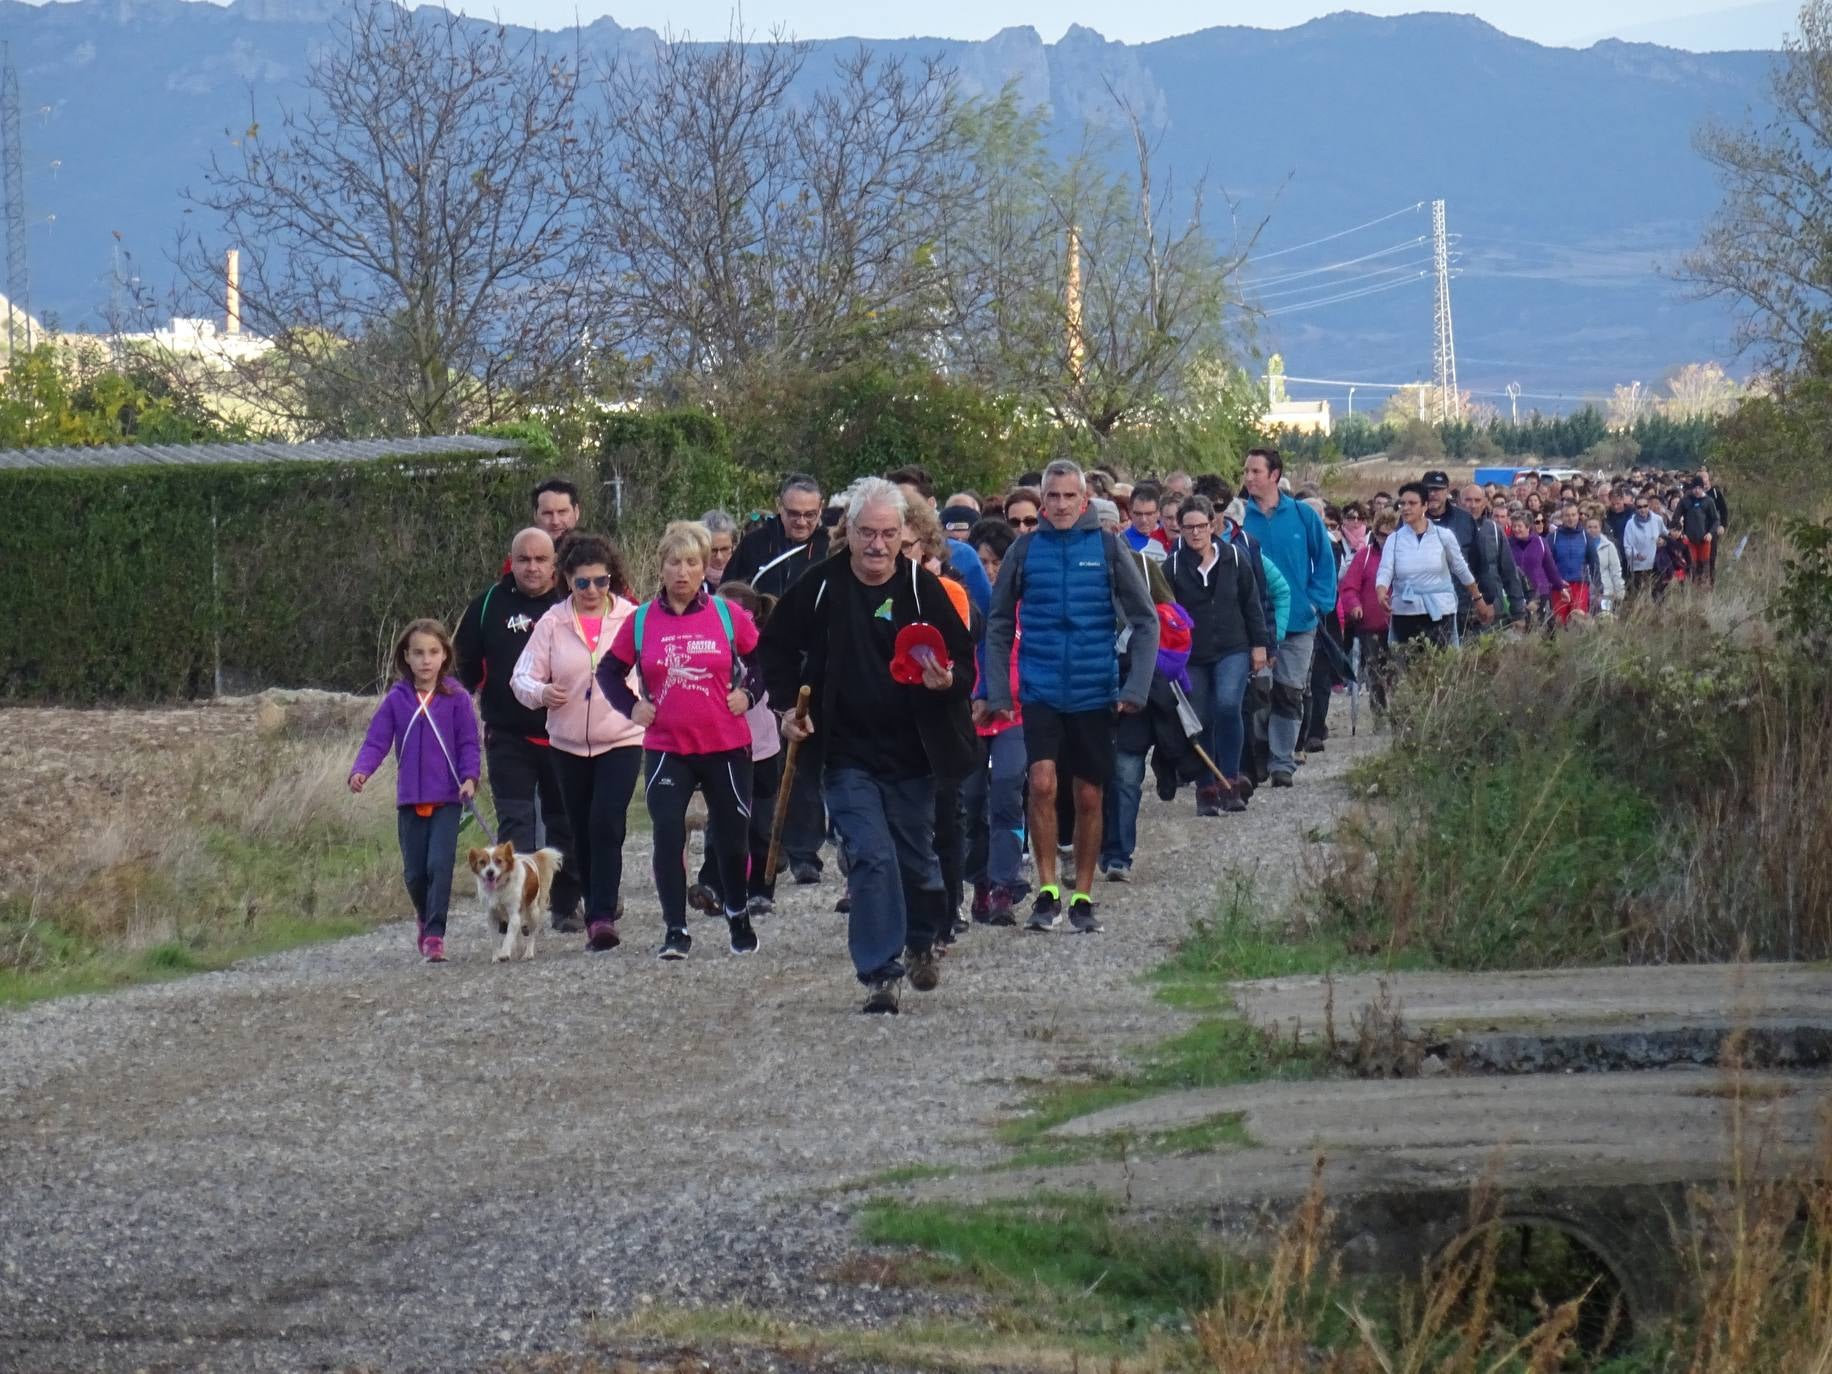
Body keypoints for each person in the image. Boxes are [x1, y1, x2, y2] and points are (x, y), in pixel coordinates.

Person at [757, 478, 975, 1014]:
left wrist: (948, 681)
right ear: (847, 532)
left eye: (888, 534)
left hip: (913, 755)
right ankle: (880, 973)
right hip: (845, 754)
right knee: (871, 859)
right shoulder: (821, 586)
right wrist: (786, 709)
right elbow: (775, 648)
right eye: (866, 533)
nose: (877, 545)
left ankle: (922, 937)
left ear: (905, 535)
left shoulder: (925, 591)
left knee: (915, 862)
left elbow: (964, 663)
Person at [983, 460, 1159, 933]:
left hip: (1093, 690)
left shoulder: (1106, 547)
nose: (1060, 505)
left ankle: (1082, 894)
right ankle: (1046, 890)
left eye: (1068, 496)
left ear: (1083, 500)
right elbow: (997, 623)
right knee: (1040, 783)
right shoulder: (1023, 550)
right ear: (1042, 501)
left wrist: (1136, 687)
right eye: (1052, 497)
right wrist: (997, 688)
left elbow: (1147, 620)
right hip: (1039, 689)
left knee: (1088, 795)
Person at [595, 521, 762, 961]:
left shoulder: (728, 615)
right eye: (674, 563)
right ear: (661, 567)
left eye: (692, 563)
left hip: (725, 743)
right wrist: (632, 709)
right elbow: (608, 672)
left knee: (732, 836)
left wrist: (749, 694)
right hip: (668, 747)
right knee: (668, 835)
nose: (683, 572)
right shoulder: (641, 620)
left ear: (705, 566)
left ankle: (737, 910)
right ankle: (675, 928)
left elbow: (765, 661)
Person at [511, 534, 645, 953]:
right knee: (579, 830)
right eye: (582, 583)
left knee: (607, 822)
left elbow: (656, 665)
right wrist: (541, 693)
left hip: (622, 737)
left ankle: (601, 916)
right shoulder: (552, 622)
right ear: (566, 579)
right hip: (567, 744)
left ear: (613, 580)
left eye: (601, 582)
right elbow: (521, 677)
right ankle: (594, 899)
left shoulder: (633, 618)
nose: (592, 591)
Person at [454, 527, 583, 932]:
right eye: (524, 559)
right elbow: (466, 666)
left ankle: (564, 904)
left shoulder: (570, 603)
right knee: (516, 821)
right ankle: (517, 908)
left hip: (561, 732)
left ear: (554, 565)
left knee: (565, 821)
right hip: (508, 734)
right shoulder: (489, 604)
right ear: (512, 561)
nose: (532, 567)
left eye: (541, 560)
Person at [349, 619, 481, 964]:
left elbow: (469, 743)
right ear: (406, 657)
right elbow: (376, 740)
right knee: (414, 873)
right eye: (418, 653)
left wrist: (470, 777)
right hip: (410, 799)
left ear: (444, 656)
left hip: (448, 798)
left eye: (433, 652)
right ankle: (423, 916)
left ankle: (436, 933)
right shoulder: (396, 700)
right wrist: (361, 770)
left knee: (440, 865)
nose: (426, 660)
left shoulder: (457, 698)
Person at [1241, 448, 1337, 789]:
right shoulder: (1240, 518)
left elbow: (1325, 562)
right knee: (1256, 692)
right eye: (1246, 471)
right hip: (1253, 624)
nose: (1249, 477)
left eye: (1255, 471)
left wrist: (1317, 603)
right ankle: (1257, 756)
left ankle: (1282, 761)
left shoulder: (1302, 515)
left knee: (1289, 691)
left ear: (1274, 474)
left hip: (1298, 623)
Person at [1166, 494, 1268, 816]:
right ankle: (1206, 786)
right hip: (1193, 654)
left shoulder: (1235, 559)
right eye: (1188, 527)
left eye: (1201, 526)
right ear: (1180, 529)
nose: (1195, 533)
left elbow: (1252, 603)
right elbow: (1165, 613)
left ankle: (1232, 781)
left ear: (1213, 525)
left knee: (1227, 706)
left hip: (1232, 647)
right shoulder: (1171, 566)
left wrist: (1260, 645)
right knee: (1201, 717)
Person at [965, 518, 1026, 925]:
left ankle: (1006, 882)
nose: (990, 571)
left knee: (1006, 791)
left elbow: (1029, 660)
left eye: (997, 562)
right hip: (970, 718)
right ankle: (978, 880)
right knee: (968, 802)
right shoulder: (962, 605)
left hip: (1014, 716)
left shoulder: (1026, 605)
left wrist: (1003, 696)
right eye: (983, 562)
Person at [1376, 482, 1490, 650]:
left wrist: (1478, 598)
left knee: (1440, 665)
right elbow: (1385, 569)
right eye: (1403, 503)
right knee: (1408, 666)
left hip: (1440, 611)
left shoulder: (1443, 536)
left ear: (1425, 506)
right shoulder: (1394, 539)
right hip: (1406, 612)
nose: (1406, 508)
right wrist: (1381, 591)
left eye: (1412, 503)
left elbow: (1460, 568)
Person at [725, 473, 829, 599]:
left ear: (821, 508)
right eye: (793, 514)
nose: (801, 522)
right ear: (779, 505)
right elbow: (727, 595)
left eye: (810, 515)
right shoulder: (753, 544)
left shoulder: (830, 548)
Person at [1337, 511, 1395, 715]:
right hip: (1370, 625)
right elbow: (1349, 587)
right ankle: (1378, 714)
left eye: (1390, 535)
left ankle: (1401, 715)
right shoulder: (1365, 555)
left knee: (1398, 670)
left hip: (1399, 623)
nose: (1385, 539)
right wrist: (1354, 605)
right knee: (1375, 670)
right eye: (1381, 534)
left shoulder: (1405, 555)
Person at [1462, 485, 1528, 628]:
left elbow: (1509, 573)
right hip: (1460, 611)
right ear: (1461, 502)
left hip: (1492, 611)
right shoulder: (1450, 531)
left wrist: (1518, 612)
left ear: (1485, 502)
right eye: (1468, 500)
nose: (1473, 505)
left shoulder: (1494, 531)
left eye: (1477, 500)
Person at [1508, 508, 1565, 626]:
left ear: (1528, 526)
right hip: (1518, 593)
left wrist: (1560, 587)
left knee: (1544, 627)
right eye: (1514, 526)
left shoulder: (1540, 542)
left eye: (1519, 526)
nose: (1516, 529)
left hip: (1540, 592)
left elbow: (1550, 568)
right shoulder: (1508, 544)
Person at [1547, 502, 1599, 624]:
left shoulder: (1586, 537)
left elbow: (1594, 563)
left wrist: (1598, 588)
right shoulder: (1552, 537)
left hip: (1580, 585)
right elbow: (1547, 564)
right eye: (1567, 515)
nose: (1570, 518)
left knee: (1579, 622)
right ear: (1562, 517)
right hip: (1559, 586)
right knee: (1560, 622)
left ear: (1578, 516)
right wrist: (1553, 582)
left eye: (1573, 515)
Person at [1622, 493, 1668, 598]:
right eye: (1639, 507)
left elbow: (1666, 534)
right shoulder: (1630, 524)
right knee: (1639, 597)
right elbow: (1627, 546)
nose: (1643, 509)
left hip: (1655, 564)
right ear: (1635, 508)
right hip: (1638, 567)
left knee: (1657, 596)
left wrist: (1663, 541)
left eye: (1645, 506)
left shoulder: (1657, 519)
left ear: (1648, 506)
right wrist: (1636, 555)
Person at [1588, 516, 1626, 614]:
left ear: (1600, 528)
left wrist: (1619, 591)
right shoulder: (1582, 545)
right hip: (1587, 591)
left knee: (1605, 618)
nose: (1592, 530)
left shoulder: (1609, 546)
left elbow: (1616, 569)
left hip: (1606, 591)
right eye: (1590, 527)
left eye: (1595, 527)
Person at [1123, 482, 1169, 562]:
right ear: (1130, 511)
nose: (1143, 520)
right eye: (1138, 514)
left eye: (1149, 514)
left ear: (1158, 512)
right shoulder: (1121, 541)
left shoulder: (1170, 537)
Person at [532, 478, 582, 544]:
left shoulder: (596, 552)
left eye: (562, 512)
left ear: (576, 512)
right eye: (548, 513)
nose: (555, 522)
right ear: (535, 515)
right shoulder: (521, 552)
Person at [701, 509, 739, 589]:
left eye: (725, 549)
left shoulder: (743, 581)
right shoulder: (692, 584)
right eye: (713, 551)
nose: (719, 557)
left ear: (734, 547)